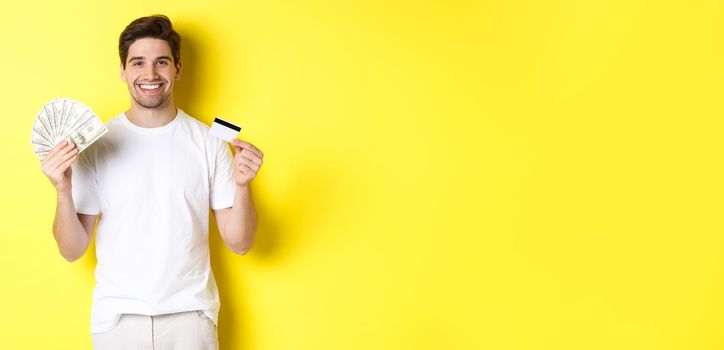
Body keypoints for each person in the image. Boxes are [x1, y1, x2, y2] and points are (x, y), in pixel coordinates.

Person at [40, 14, 264, 349]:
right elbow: (72, 250)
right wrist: (62, 190)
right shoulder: (96, 144)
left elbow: (240, 242)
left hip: (191, 317)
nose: (150, 74)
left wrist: (244, 186)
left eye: (161, 62)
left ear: (178, 69)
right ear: (122, 71)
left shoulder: (208, 142)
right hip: (118, 320)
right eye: (138, 63)